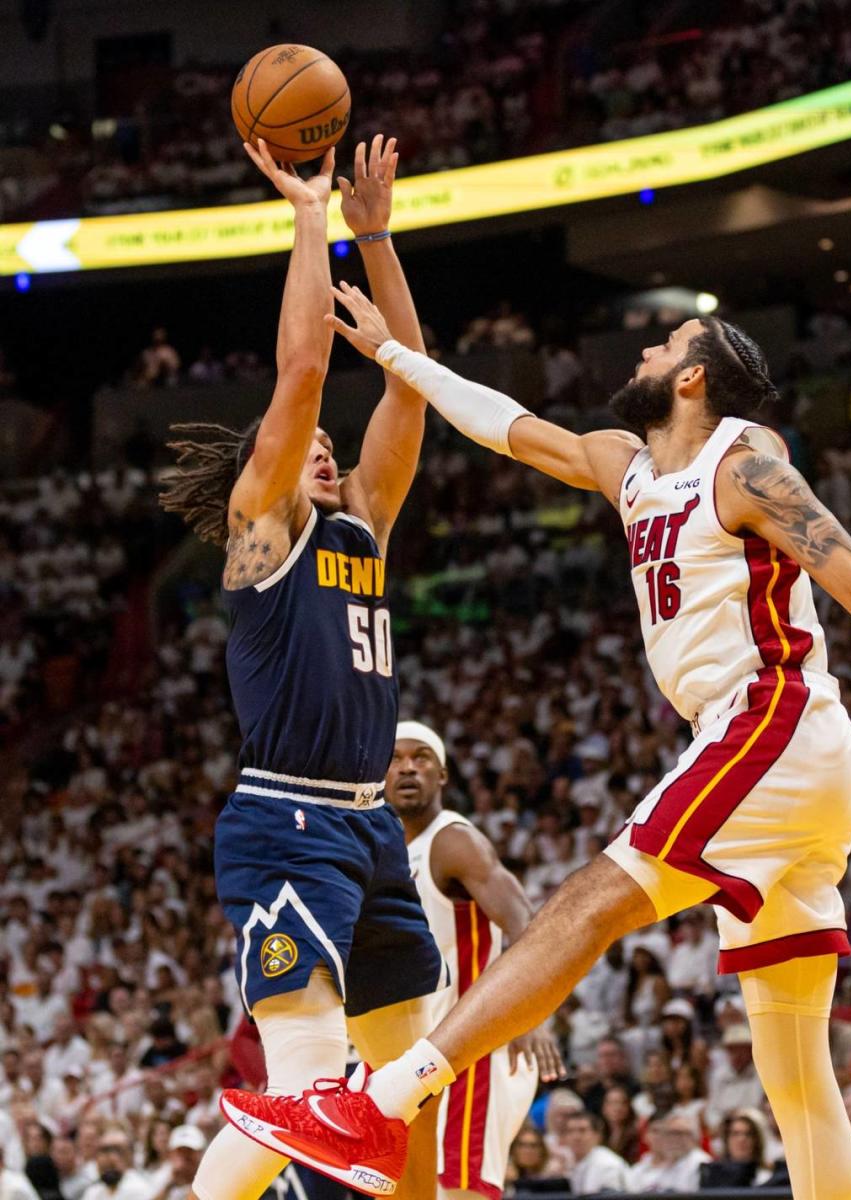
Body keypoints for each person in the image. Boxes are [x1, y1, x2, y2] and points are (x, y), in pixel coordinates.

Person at [226, 295, 851, 1200]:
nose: (647, 345)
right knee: (796, 1073)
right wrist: (394, 354)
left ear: (691, 377)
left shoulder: (747, 465)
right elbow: (507, 426)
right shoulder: (631, 468)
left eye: (668, 343)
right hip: (775, 753)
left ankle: (380, 1101)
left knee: (587, 903)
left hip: (773, 721)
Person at [161, 135, 443, 1200]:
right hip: (286, 824)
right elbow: (306, 366)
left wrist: (379, 239)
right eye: (306, 442)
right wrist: (314, 211)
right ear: (266, 470)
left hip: (368, 827)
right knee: (312, 1099)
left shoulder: (363, 522)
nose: (324, 444)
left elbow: (409, 396)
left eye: (332, 441)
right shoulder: (263, 529)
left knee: (399, 1096)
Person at [386, 721, 563, 1200]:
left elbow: (525, 922)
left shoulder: (452, 840)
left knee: (458, 1193)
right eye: (395, 758)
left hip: (474, 1050)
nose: (407, 767)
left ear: (441, 774)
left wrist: (532, 1011)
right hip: (423, 1057)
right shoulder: (388, 856)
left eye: (421, 757)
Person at [563, 1112, 628, 1195]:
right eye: (570, 1131)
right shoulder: (569, 1162)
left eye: (582, 1130)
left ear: (597, 1135)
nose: (576, 1136)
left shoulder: (607, 1164)